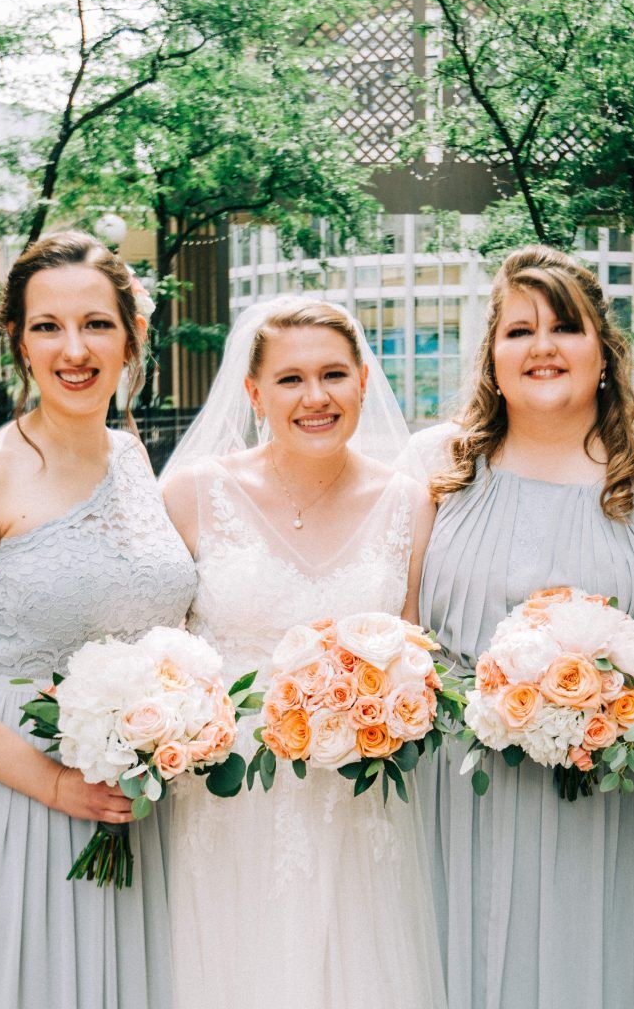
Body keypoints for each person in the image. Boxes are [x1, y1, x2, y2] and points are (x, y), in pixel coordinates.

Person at [0, 232, 197, 1009]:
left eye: (96, 323)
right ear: (19, 342)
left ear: (132, 336)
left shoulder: (134, 458)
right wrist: (53, 785)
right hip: (4, 795)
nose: (74, 349)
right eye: (47, 326)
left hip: (122, 801)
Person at [412, 245, 634, 1009]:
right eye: (519, 331)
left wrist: (613, 706)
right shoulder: (436, 464)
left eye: (566, 327)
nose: (543, 347)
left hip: (604, 797)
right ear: (493, 355)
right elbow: (398, 621)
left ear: (605, 354)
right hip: (452, 790)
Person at [159, 298, 446, 1009]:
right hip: (225, 804)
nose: (315, 398)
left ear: (362, 384)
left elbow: (417, 652)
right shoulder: (193, 495)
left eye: (333, 375)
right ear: (253, 392)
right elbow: (158, 656)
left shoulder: (409, 503)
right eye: (290, 379)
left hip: (354, 802)